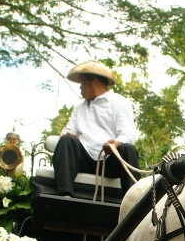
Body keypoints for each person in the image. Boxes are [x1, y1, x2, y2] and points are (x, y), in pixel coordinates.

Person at [53, 60, 140, 197]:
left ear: (91, 80)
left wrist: (115, 144)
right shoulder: (79, 108)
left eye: (81, 83)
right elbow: (67, 130)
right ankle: (65, 195)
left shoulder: (119, 102)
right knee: (67, 140)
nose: (80, 88)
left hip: (109, 161)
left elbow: (128, 133)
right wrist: (67, 134)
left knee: (127, 149)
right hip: (84, 160)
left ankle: (134, 204)